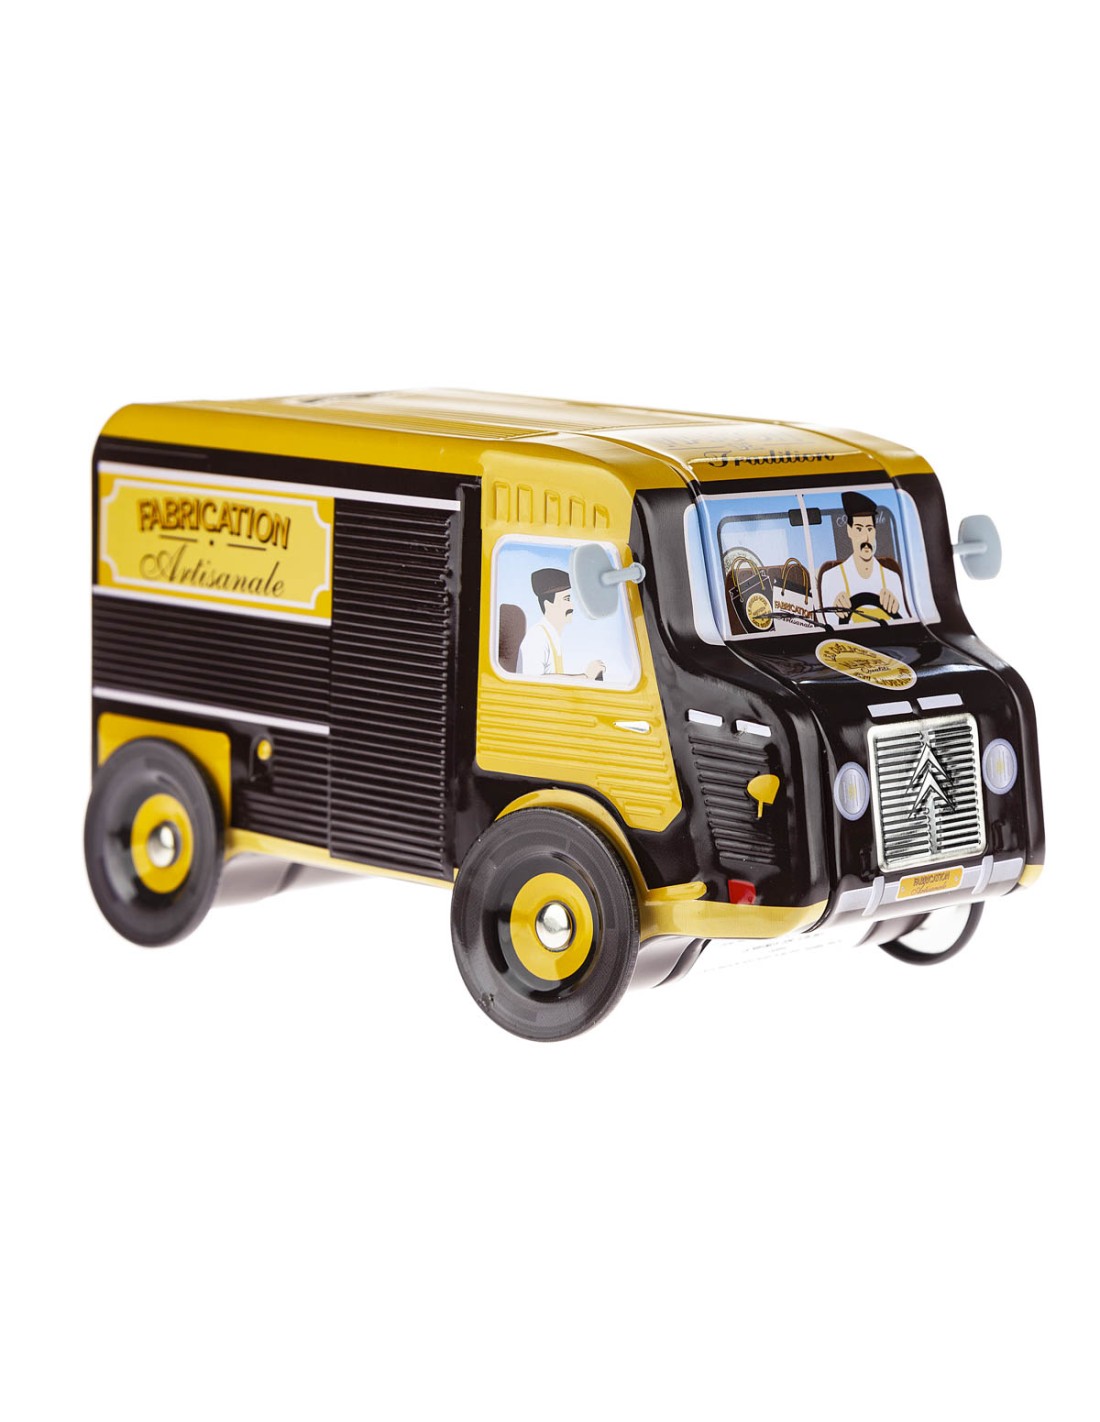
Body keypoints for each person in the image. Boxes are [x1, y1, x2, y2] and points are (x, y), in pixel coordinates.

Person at [819, 491, 908, 628]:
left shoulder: (892, 578)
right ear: (849, 531)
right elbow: (828, 628)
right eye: (859, 529)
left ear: (875, 531)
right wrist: (835, 611)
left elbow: (905, 623)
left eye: (870, 529)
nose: (866, 538)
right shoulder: (831, 578)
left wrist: (896, 607)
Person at [518, 568, 606, 680]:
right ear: (548, 605)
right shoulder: (537, 637)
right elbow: (533, 681)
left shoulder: (552, 636)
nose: (571, 606)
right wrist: (586, 677)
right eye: (566, 599)